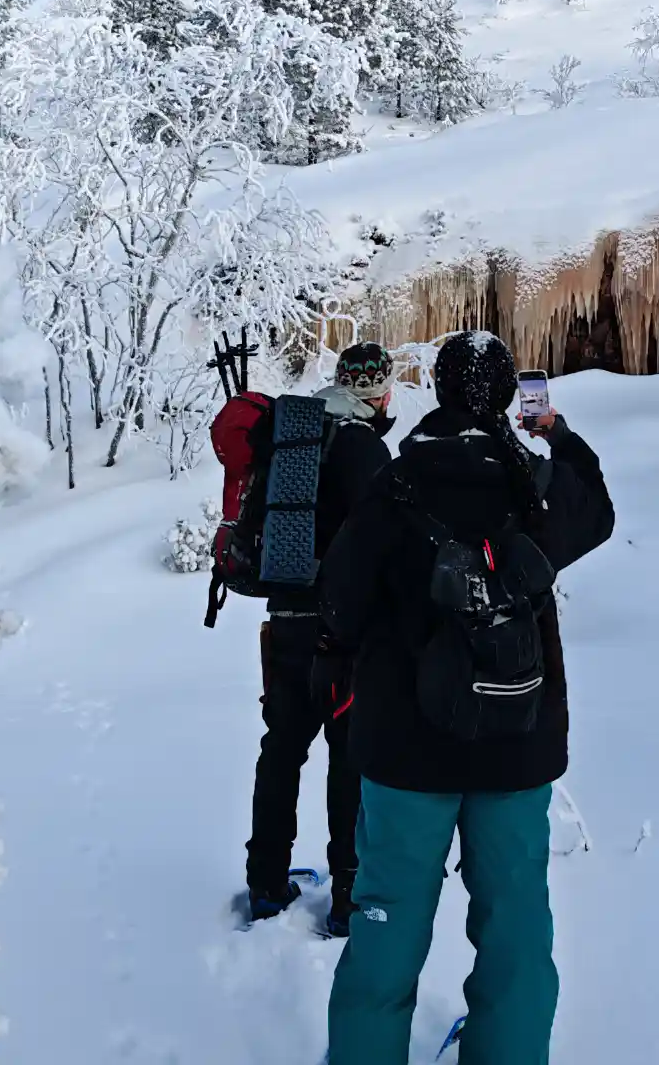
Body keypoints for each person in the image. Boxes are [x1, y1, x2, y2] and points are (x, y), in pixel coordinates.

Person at [317, 331, 616, 1065]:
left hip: (402, 752)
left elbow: (340, 611)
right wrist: (561, 438)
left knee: (385, 927)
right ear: (512, 398)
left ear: (438, 390)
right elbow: (599, 514)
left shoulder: (393, 486)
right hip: (515, 745)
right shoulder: (535, 488)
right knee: (516, 928)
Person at [245, 341, 396, 936]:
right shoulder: (363, 448)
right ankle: (347, 896)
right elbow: (381, 543)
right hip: (341, 630)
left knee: (281, 747)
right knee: (348, 755)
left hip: (284, 618)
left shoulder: (292, 434)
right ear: (377, 394)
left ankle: (265, 884)